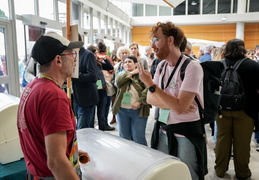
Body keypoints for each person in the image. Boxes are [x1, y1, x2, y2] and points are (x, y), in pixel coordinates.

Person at [138, 21, 207, 180]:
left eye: (156, 39)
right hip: (163, 128)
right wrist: (175, 103)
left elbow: (177, 106)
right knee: (166, 173)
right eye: (152, 41)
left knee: (188, 174)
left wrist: (151, 85)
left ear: (170, 40)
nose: (153, 45)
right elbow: (150, 98)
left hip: (186, 133)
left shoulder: (192, 67)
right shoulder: (161, 66)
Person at [17, 32, 89, 179]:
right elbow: (56, 162)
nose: (75, 60)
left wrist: (70, 151)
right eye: (72, 55)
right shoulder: (54, 96)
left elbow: (39, 136)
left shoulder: (33, 87)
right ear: (58, 60)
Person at [214, 39, 259, 179]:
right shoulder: (253, 65)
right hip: (246, 110)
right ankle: (242, 173)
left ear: (226, 49)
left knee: (222, 140)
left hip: (222, 109)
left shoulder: (218, 65)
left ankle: (220, 170)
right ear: (243, 49)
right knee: (243, 144)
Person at [112, 55, 150, 146]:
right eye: (125, 62)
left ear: (136, 64)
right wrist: (132, 73)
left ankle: (142, 157)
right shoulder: (121, 74)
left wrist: (139, 101)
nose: (127, 64)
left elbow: (148, 88)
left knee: (138, 137)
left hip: (138, 110)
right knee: (124, 137)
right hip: (122, 110)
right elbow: (118, 83)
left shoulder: (143, 75)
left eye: (130, 62)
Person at [72, 35, 99, 129]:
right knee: (78, 128)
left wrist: (75, 75)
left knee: (83, 130)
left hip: (86, 99)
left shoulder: (87, 54)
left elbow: (92, 76)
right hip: (76, 98)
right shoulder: (72, 54)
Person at [87, 45, 115, 131]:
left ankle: (102, 129)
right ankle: (91, 131)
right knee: (92, 113)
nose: (96, 55)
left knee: (101, 112)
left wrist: (104, 58)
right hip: (93, 90)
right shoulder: (88, 63)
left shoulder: (97, 63)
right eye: (94, 53)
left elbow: (110, 67)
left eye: (96, 53)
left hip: (102, 90)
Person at [110, 46, 131, 124]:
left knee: (126, 106)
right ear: (119, 54)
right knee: (116, 104)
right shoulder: (117, 66)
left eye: (126, 53)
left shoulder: (131, 65)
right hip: (117, 89)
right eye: (123, 53)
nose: (124, 54)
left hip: (128, 90)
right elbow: (113, 77)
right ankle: (115, 117)